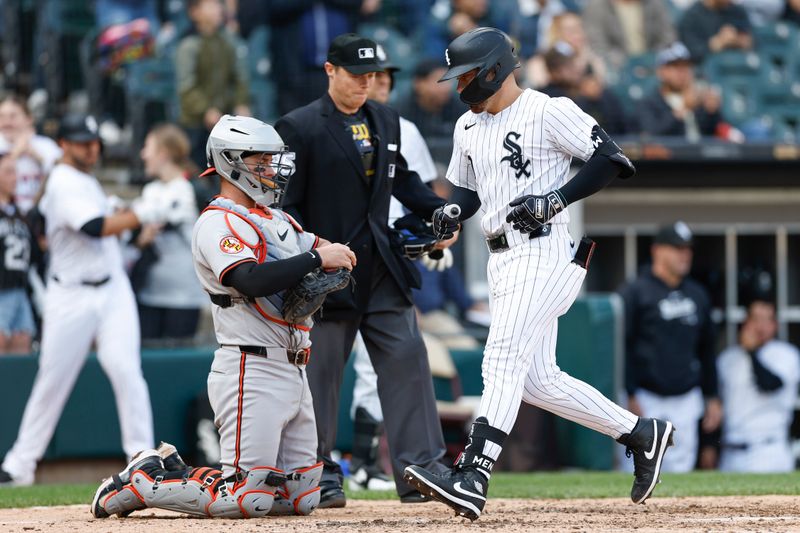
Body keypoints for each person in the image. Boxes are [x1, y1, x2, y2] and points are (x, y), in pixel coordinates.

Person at [402, 27, 675, 521]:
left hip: (547, 252)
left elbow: (613, 160)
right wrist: (449, 214)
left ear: (492, 71)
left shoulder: (548, 110)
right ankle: (641, 434)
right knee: (538, 381)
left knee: (501, 356)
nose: (459, 88)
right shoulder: (467, 127)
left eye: (465, 77)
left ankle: (472, 475)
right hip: (501, 257)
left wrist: (556, 200)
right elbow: (467, 192)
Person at [91, 114, 357, 518]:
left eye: (271, 162)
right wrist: (316, 258)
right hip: (250, 365)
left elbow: (327, 252)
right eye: (260, 162)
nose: (270, 171)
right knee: (245, 497)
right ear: (231, 162)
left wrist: (334, 257)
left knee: (301, 496)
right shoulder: (217, 221)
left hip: (294, 366)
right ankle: (144, 480)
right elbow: (248, 278)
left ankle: (175, 473)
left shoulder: (279, 220)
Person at [275, 33, 456, 507]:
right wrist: (310, 257)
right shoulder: (299, 127)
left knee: (408, 363)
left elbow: (407, 185)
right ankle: (316, 473)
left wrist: (440, 215)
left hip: (381, 267)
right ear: (330, 70)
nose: (366, 84)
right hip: (326, 277)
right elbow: (284, 210)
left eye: (372, 76)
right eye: (357, 75)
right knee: (320, 379)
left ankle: (423, 471)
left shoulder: (387, 118)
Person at [0, 114, 158, 487]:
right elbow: (94, 227)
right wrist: (144, 211)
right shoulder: (62, 181)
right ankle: (20, 465)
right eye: (82, 141)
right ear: (64, 145)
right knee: (52, 380)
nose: (92, 147)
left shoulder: (87, 180)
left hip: (112, 289)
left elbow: (109, 232)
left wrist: (131, 218)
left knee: (126, 371)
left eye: (94, 141)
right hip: (70, 294)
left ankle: (143, 459)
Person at [345, 44, 442, 493]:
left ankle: (365, 461)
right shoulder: (334, 125)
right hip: (344, 252)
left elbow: (418, 188)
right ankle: (336, 464)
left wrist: (433, 231)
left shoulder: (402, 129)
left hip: (391, 253)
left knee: (381, 362)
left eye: (383, 76)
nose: (378, 81)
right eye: (371, 74)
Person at [618, 221, 721, 473]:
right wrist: (629, 393)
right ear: (657, 250)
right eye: (677, 248)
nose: (684, 255)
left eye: (687, 249)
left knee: (681, 469)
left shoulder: (698, 294)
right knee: (636, 467)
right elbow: (621, 348)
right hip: (645, 396)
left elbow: (707, 349)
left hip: (686, 396)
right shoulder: (635, 292)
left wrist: (713, 396)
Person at [133, 124, 206, 342]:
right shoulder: (150, 190)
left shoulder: (192, 188)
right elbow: (137, 239)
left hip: (184, 298)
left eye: (148, 147)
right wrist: (140, 239)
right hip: (149, 294)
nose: (143, 154)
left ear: (163, 154)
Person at [717, 298, 799, 472]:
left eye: (766, 320)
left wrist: (752, 351)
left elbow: (769, 384)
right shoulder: (727, 358)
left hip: (768, 450)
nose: (760, 326)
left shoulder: (785, 354)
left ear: (774, 325)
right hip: (730, 451)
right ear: (745, 322)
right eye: (755, 319)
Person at [176, 0, 250, 168]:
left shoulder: (226, 42)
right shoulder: (189, 45)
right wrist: (206, 110)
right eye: (210, 5)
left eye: (218, 5)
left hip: (223, 122)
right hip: (194, 124)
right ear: (194, 12)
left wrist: (241, 103)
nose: (218, 9)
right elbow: (187, 87)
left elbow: (239, 78)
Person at [636, 42, 724, 139]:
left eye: (686, 65)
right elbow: (651, 136)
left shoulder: (699, 99)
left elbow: (712, 135)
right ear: (660, 71)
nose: (682, 71)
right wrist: (682, 109)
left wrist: (711, 112)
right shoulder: (649, 103)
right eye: (675, 66)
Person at [0, 95, 62, 215]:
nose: (6, 122)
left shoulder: (46, 145)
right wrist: (16, 153)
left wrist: (36, 156)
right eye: (1, 116)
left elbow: (63, 173)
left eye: (13, 116)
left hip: (42, 218)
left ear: (29, 119)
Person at [0, 152, 36, 354]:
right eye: (8, 172)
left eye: (15, 173)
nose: (14, 178)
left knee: (22, 344)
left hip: (20, 290)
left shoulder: (21, 215)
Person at [582, 0, 676, 74]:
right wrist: (625, 63)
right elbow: (597, 44)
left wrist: (651, 59)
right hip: (616, 69)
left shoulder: (654, 3)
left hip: (652, 66)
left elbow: (668, 37)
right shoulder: (597, 6)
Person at [396, 58, 466, 140]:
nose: (446, 87)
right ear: (418, 84)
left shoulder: (460, 109)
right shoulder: (402, 114)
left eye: (448, 80)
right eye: (439, 81)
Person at [678, 0, 752, 62]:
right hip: (708, 72)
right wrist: (717, 43)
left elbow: (752, 42)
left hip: (740, 66)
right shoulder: (691, 18)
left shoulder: (737, 11)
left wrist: (737, 41)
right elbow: (691, 54)